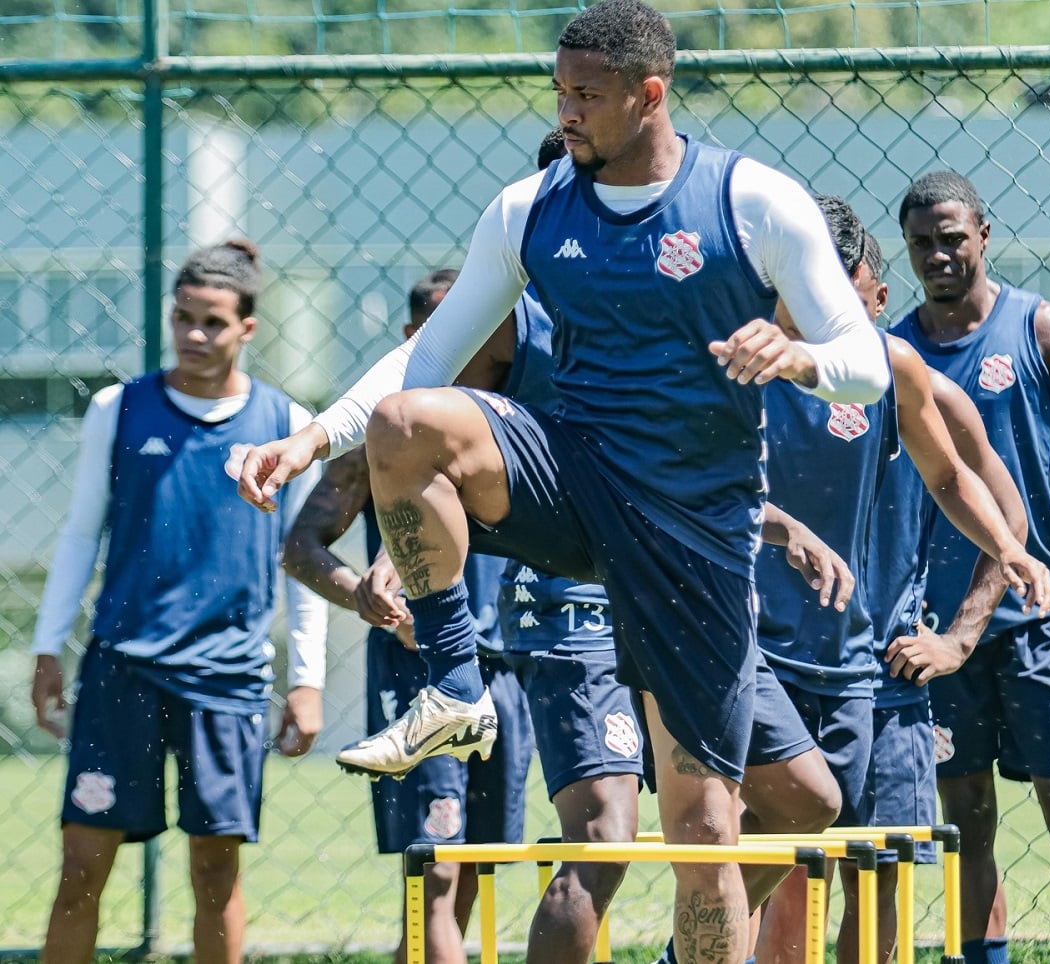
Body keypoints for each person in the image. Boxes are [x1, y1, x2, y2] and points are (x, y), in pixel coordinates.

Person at [237, 1, 893, 958]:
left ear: (649, 93)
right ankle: (455, 687)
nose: (568, 112)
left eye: (587, 95)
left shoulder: (754, 201)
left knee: (706, 826)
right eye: (561, 92)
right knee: (405, 424)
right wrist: (313, 440)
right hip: (575, 479)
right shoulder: (528, 210)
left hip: (693, 535)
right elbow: (425, 360)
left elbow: (865, 363)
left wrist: (794, 354)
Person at [751, 198, 1050, 964]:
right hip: (766, 659)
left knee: (877, 876)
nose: (824, 316)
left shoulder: (905, 379)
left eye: (843, 299)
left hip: (876, 671)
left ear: (875, 299)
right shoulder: (748, 366)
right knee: (784, 870)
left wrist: (959, 637)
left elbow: (995, 504)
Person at [29, 239, 329, 964]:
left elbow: (303, 560)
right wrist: (48, 647)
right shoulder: (119, 408)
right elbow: (78, 536)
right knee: (82, 867)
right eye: (183, 318)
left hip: (226, 678)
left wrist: (307, 679)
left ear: (248, 328)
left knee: (215, 871)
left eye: (214, 322)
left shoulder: (286, 420)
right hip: (121, 669)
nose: (195, 335)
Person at [893, 170, 1050, 964]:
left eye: (953, 237)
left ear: (984, 235)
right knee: (965, 820)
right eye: (923, 242)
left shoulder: (1047, 331)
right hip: (936, 630)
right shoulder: (894, 357)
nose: (939, 254)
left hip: (1037, 618)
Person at [282, 268, 533, 964]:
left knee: (479, 863)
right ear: (408, 341)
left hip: (507, 665)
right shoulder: (383, 436)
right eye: (435, 334)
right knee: (435, 871)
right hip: (420, 669)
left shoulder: (515, 422)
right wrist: (361, 593)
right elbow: (300, 547)